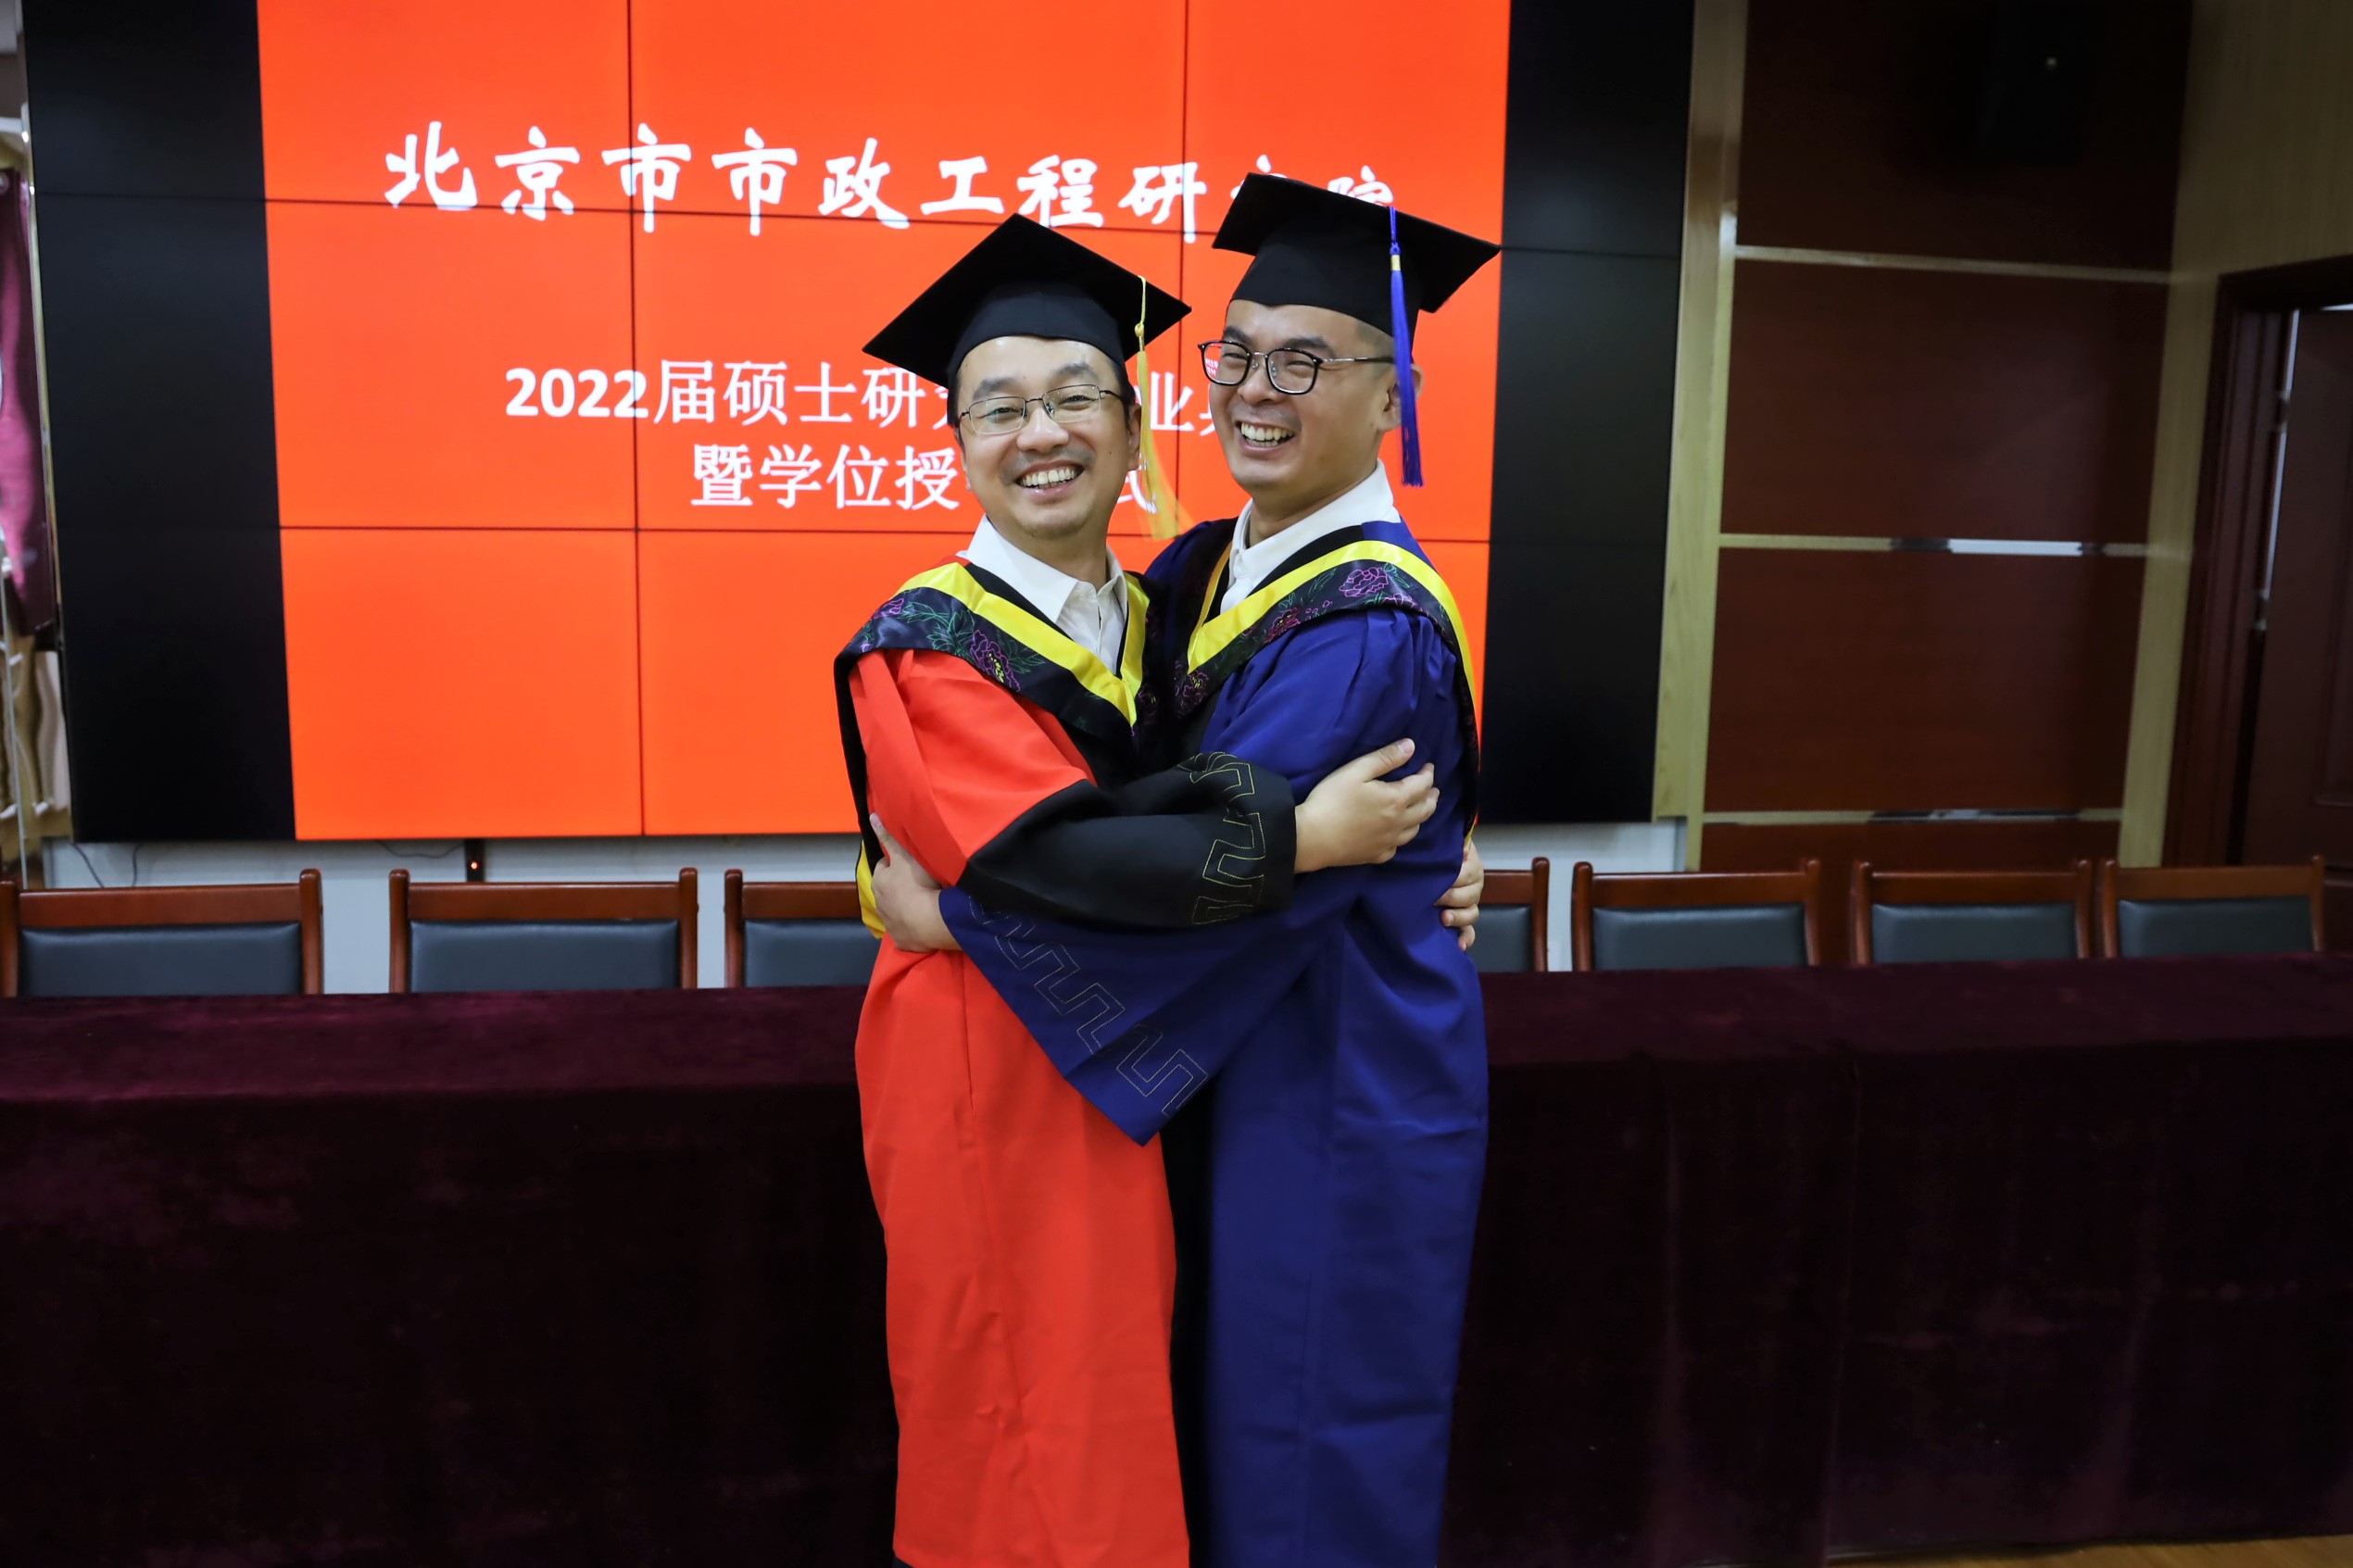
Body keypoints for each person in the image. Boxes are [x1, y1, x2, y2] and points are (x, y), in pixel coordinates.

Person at [878, 175, 1502, 1568]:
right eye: (1239, 353)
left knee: (1302, 1432)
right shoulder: (1205, 570)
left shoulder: (1368, 622)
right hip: (1241, 1060)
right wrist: (895, 866)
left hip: (1332, 1082)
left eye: (1306, 362)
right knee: (1202, 1425)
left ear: (1392, 398)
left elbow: (1193, 838)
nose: (1257, 391)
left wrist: (953, 915)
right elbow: (1101, 791)